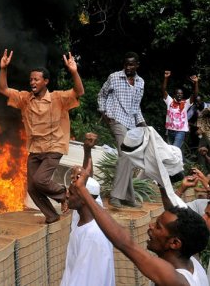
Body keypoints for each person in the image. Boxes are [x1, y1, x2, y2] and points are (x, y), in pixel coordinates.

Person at [71, 164, 210, 286]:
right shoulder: (192, 261)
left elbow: (125, 243)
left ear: (174, 243)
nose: (150, 227)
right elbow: (173, 215)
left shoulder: (174, 279)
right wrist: (162, 183)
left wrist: (83, 191)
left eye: (158, 227)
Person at [0, 49, 84, 223]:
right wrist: (3, 68)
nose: (32, 82)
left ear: (46, 81)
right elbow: (3, 89)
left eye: (36, 79)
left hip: (54, 147)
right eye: (31, 79)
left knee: (40, 180)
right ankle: (51, 215)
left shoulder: (58, 98)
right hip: (35, 149)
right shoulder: (24, 99)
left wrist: (74, 71)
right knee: (31, 187)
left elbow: (78, 91)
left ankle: (64, 194)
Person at [61, 134, 114, 285]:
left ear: (85, 198)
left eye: (70, 192)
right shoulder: (83, 214)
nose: (66, 195)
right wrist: (87, 151)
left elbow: (87, 279)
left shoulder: (93, 236)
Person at [97, 51, 145, 209]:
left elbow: (136, 107)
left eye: (131, 64)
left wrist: (142, 123)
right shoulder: (114, 77)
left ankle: (128, 197)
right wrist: (103, 112)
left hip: (130, 122)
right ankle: (115, 196)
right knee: (125, 153)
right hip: (116, 118)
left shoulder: (140, 83)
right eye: (126, 64)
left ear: (137, 65)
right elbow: (101, 95)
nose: (128, 67)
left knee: (128, 157)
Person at [162, 71, 199, 151]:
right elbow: (164, 90)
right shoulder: (169, 101)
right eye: (178, 94)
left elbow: (195, 95)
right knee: (170, 151)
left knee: (174, 150)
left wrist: (196, 83)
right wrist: (166, 78)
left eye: (181, 94)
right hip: (170, 131)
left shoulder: (185, 103)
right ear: (174, 95)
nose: (179, 95)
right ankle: (178, 163)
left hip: (180, 132)